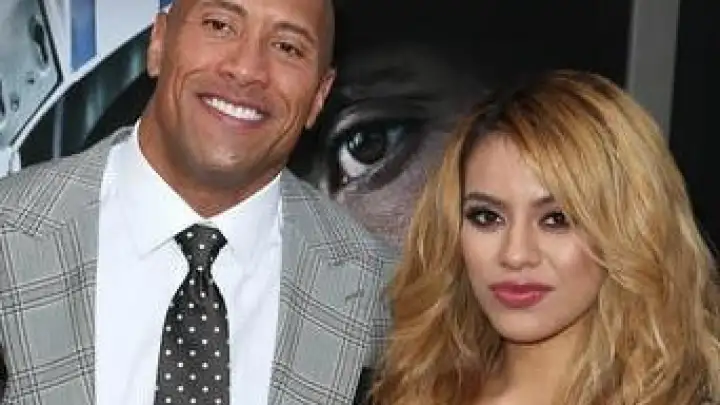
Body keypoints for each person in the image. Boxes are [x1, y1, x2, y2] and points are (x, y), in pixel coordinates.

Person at [0, 0, 396, 404]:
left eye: (287, 48)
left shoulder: (384, 296)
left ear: (319, 95)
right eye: (219, 25)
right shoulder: (8, 230)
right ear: (159, 42)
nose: (247, 69)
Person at [372, 71, 720, 404]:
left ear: (628, 229)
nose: (515, 254)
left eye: (557, 219)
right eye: (487, 217)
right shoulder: (412, 393)